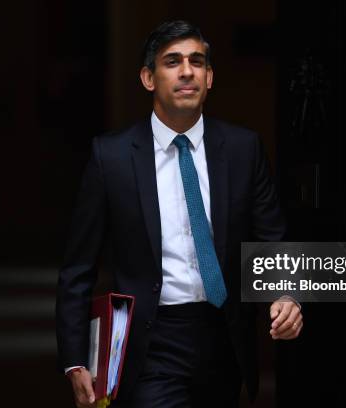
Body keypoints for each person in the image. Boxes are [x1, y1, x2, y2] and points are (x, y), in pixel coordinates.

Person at [56, 20, 303, 408]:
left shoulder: (242, 149)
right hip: (150, 342)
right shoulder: (112, 157)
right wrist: (75, 360)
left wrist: (287, 294)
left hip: (223, 338)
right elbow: (78, 267)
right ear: (148, 78)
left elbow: (273, 238)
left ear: (210, 78)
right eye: (172, 61)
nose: (187, 71)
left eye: (197, 61)